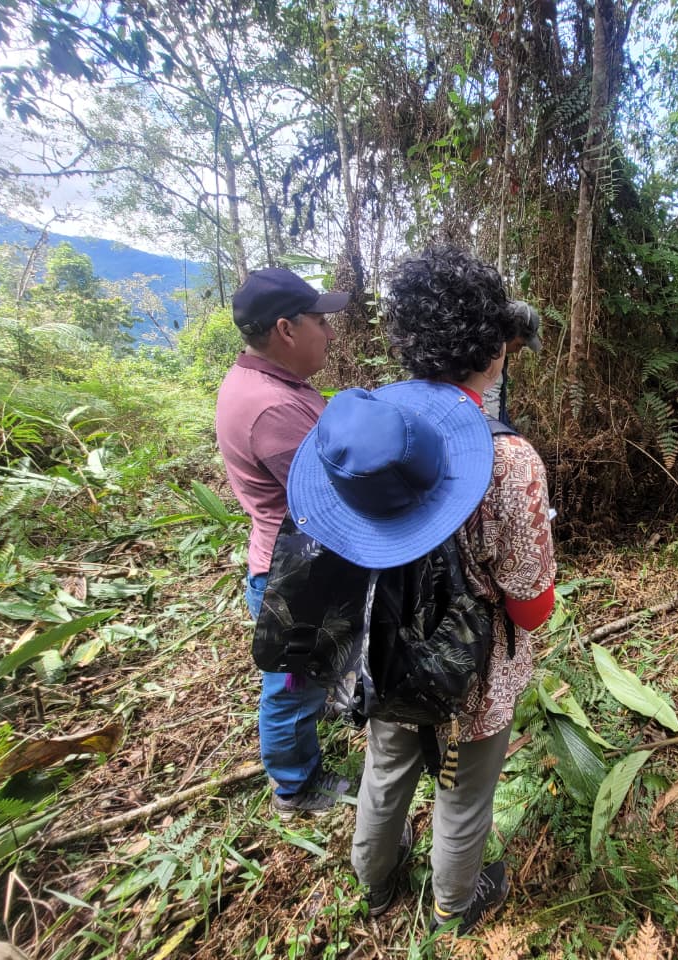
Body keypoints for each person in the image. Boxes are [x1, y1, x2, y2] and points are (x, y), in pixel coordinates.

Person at [288, 246, 556, 935]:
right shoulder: (509, 461)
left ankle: (375, 885)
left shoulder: (372, 432)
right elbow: (531, 600)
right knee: (464, 792)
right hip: (472, 669)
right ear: (495, 349)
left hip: (382, 652)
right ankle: (454, 906)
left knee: (387, 767)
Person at [214, 267, 351, 818]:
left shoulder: (270, 386)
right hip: (295, 577)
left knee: (307, 673)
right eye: (320, 321)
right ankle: (296, 787)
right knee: (292, 685)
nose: (330, 333)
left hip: (292, 560)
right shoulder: (272, 408)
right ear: (286, 330)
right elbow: (334, 493)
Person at [481, 299, 543, 424]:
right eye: (520, 344)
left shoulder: (499, 353)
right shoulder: (491, 355)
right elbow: (489, 402)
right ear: (510, 332)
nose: (518, 350)